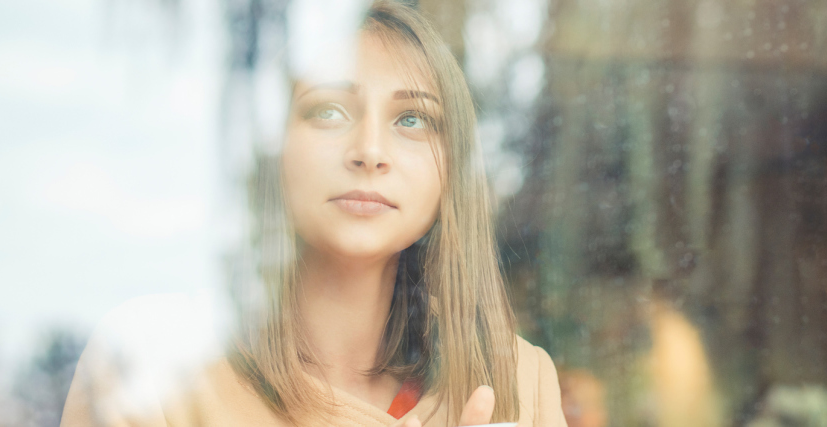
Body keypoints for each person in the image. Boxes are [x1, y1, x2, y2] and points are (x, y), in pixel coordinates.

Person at [60, 2, 564, 426]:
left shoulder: (519, 380)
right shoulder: (151, 365)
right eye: (328, 111)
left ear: (451, 170)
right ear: (274, 146)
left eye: (412, 119)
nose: (370, 151)